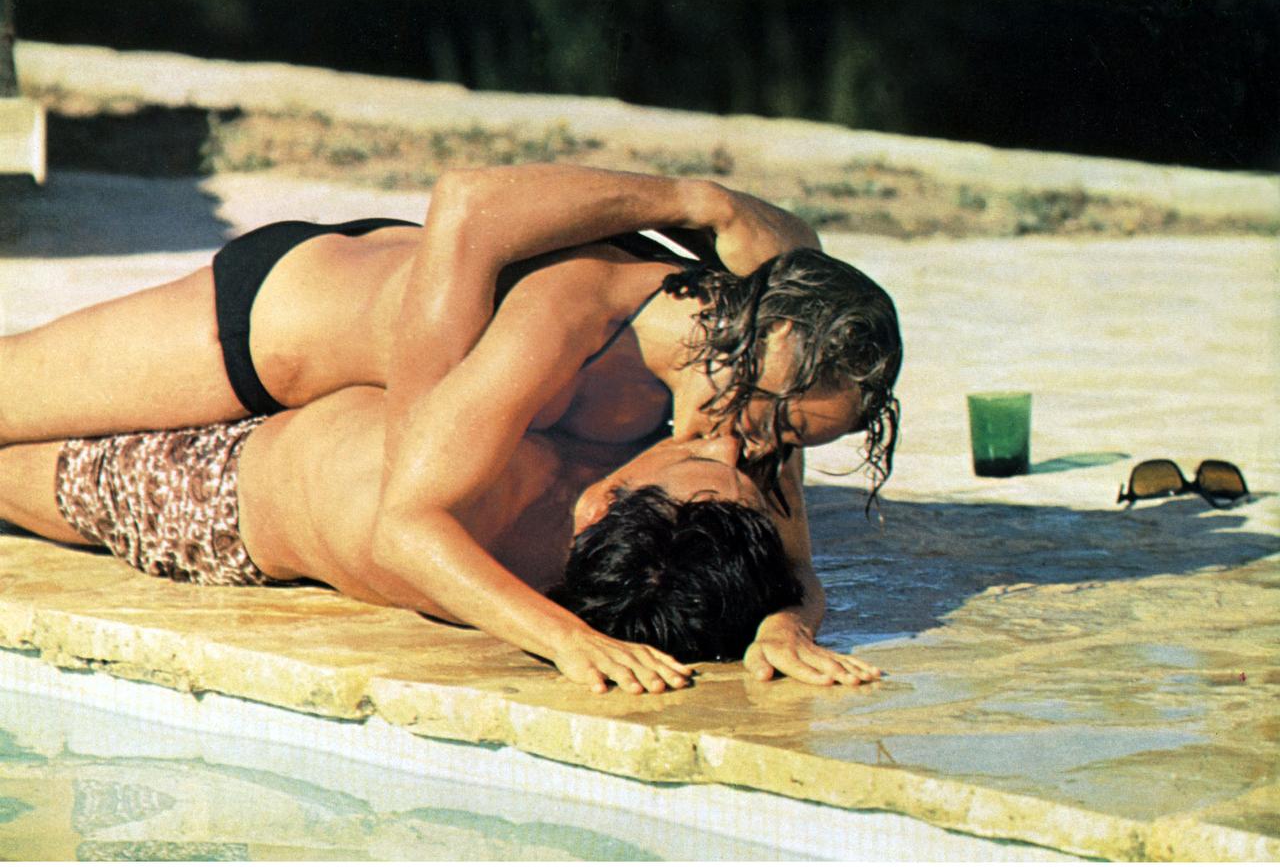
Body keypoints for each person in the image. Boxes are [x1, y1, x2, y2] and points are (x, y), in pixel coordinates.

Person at [0, 164, 903, 687]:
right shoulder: (572, 314)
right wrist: (700, 200)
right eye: (776, 421)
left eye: (798, 443)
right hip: (279, 329)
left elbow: (792, 561)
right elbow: (469, 202)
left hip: (322, 428)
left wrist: (787, 624)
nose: (763, 453)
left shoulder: (754, 399)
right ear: (754, 346)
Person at [0, 385, 882, 693]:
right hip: (285, 410)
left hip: (202, 487)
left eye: (703, 455)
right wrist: (788, 617)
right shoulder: (662, 533)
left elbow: (404, 534)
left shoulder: (481, 551)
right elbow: (783, 540)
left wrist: (567, 643)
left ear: (606, 503)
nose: (731, 440)